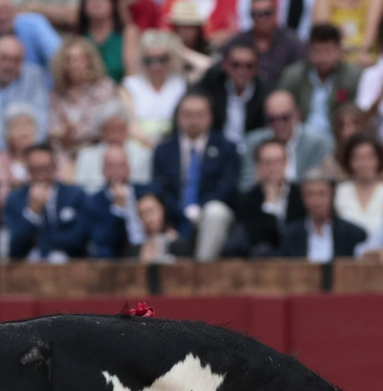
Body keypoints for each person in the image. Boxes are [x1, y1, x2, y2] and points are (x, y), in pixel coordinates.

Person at [150, 91, 238, 259]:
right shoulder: (163, 150)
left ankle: (201, 271)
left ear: (210, 117)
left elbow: (227, 187)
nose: (193, 120)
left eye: (199, 114)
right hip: (174, 214)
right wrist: (180, 213)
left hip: (209, 213)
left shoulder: (226, 148)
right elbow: (159, 188)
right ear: (178, 117)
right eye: (187, 114)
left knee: (216, 212)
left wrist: (199, 208)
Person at [4, 142, 87, 259]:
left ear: (55, 167)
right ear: (28, 169)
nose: (41, 175)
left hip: (70, 265)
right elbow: (15, 245)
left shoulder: (75, 195)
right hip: (27, 267)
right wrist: (32, 212)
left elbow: (79, 238)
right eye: (35, 169)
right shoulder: (14, 199)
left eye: (45, 168)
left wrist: (43, 242)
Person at [279, 24, 363, 137]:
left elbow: (358, 113)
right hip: (301, 137)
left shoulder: (353, 76)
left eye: (328, 51)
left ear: (339, 50)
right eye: (317, 51)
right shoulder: (293, 75)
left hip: (338, 137)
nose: (322, 58)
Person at [242, 89, 333, 187]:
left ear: (296, 115)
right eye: (272, 119)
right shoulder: (253, 142)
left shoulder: (316, 143)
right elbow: (245, 186)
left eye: (284, 118)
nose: (278, 124)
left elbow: (317, 185)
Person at [228, 136, 303, 255]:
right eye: (267, 163)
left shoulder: (300, 194)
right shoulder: (247, 199)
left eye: (278, 162)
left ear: (286, 164)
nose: (273, 168)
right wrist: (270, 204)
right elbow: (259, 240)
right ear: (258, 167)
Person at [48, 37, 120, 155]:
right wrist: (64, 134)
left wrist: (71, 133)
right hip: (63, 153)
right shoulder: (56, 93)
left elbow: (101, 126)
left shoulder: (104, 87)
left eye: (78, 59)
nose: (74, 65)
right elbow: (51, 129)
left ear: (89, 61)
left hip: (95, 150)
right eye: (68, 60)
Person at [280, 171, 365, 258]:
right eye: (310, 194)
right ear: (302, 197)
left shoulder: (352, 233)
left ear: (332, 195)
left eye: (322, 194)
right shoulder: (291, 234)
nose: (316, 201)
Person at [124, 29, 187, 142]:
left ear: (171, 58)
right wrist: (155, 146)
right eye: (149, 60)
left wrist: (183, 52)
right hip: (140, 143)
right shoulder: (130, 85)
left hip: (176, 142)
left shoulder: (181, 83)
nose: (155, 65)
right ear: (142, 60)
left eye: (162, 59)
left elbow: (209, 68)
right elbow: (130, 126)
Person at [332, 133, 383, 236]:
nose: (364, 163)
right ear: (349, 161)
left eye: (369, 157)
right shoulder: (338, 192)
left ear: (379, 160)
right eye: (358, 158)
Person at [80, 0, 139, 84]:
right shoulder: (79, 37)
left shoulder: (128, 33)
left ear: (112, 3)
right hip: (87, 95)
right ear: (83, 6)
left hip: (121, 94)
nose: (96, 1)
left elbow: (132, 74)